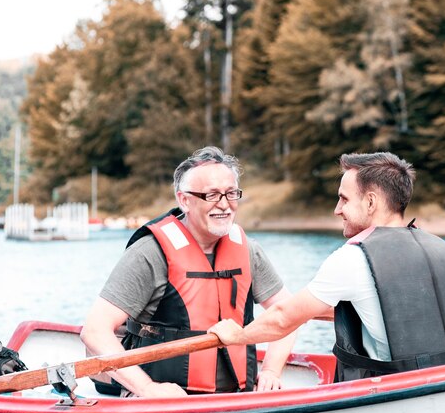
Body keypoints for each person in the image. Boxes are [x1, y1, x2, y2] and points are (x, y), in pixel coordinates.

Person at [210, 152, 445, 382]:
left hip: (397, 388)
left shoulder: (355, 258)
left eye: (344, 199)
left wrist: (237, 335)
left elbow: (282, 319)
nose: (337, 209)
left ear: (371, 202)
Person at [81, 146, 296, 397]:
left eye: (231, 194)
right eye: (213, 195)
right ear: (184, 200)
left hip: (236, 395)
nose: (225, 205)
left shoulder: (248, 250)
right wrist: (148, 388)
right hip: (162, 399)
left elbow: (289, 314)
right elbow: (95, 331)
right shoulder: (149, 253)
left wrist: (271, 370)